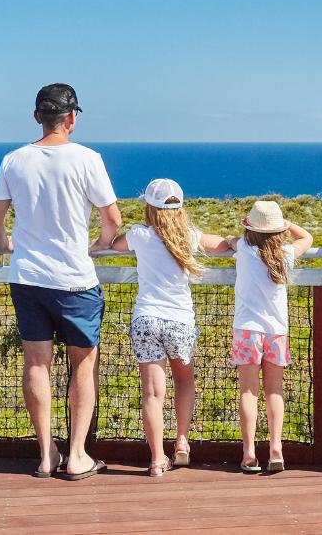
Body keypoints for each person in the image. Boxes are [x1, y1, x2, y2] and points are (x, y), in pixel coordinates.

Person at [0, 83, 121, 480]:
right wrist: (97, 245)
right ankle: (77, 455)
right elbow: (112, 221)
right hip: (75, 279)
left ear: (36, 117)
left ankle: (46, 454)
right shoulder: (87, 160)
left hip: (27, 278)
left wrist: (6, 245)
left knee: (36, 364)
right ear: (73, 117)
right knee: (83, 363)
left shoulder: (13, 161)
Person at [108, 178, 228, 476]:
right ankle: (182, 443)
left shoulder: (139, 235)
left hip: (147, 318)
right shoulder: (189, 237)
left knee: (152, 394)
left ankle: (156, 458)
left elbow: (115, 244)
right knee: (184, 381)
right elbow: (222, 244)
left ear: (149, 206)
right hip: (180, 321)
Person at [209, 200, 314, 474]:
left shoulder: (244, 249)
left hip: (246, 329)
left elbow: (230, 241)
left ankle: (248, 453)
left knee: (248, 391)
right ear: (278, 231)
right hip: (277, 331)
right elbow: (307, 237)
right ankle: (276, 448)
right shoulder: (287, 253)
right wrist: (287, 225)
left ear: (250, 229)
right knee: (274, 390)